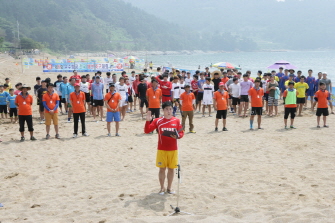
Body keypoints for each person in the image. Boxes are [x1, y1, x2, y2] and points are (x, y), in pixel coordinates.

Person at [144, 101, 184, 195]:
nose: (169, 111)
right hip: (161, 149)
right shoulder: (158, 120)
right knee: (162, 169)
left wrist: (178, 136)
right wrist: (147, 120)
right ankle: (162, 188)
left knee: (171, 169)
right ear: (163, 110)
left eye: (170, 109)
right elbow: (147, 131)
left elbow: (181, 133)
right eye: (166, 109)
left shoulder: (177, 120)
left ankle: (169, 188)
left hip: (173, 149)